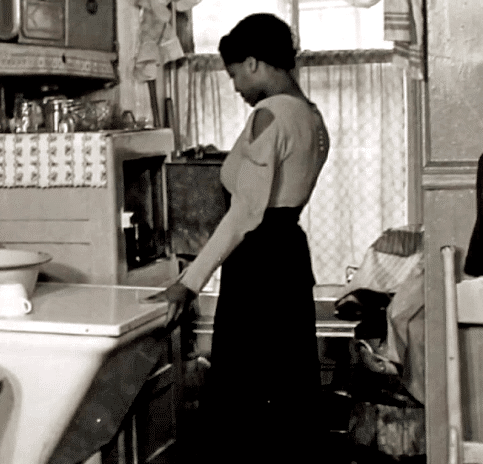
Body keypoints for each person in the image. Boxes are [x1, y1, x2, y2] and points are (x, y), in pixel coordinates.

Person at [147, 13, 330, 462]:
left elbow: (245, 213)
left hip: (258, 262)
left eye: (233, 75)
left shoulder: (268, 115)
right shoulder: (312, 116)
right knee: (289, 385)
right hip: (289, 254)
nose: (234, 87)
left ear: (253, 62)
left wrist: (188, 283)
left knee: (240, 391)